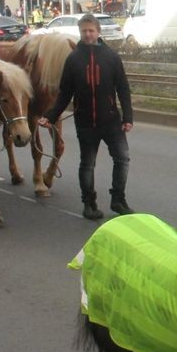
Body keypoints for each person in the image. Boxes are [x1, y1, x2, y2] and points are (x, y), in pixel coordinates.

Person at [40, 14, 134, 220]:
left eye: (91, 30)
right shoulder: (73, 59)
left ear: (98, 31)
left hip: (110, 120)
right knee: (87, 164)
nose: (88, 34)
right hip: (85, 122)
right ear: (80, 32)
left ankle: (118, 199)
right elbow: (65, 93)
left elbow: (123, 89)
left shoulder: (111, 57)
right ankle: (89, 203)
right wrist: (51, 115)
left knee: (122, 158)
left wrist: (128, 117)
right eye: (84, 31)